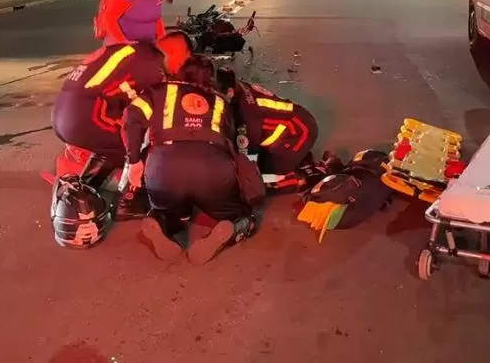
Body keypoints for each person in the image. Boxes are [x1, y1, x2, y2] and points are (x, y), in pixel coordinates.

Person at [124, 55, 260, 265]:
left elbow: (131, 118)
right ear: (210, 80)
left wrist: (134, 161)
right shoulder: (220, 101)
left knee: (169, 211)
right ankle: (233, 225)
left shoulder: (158, 91)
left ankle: (162, 222)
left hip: (165, 168)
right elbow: (232, 142)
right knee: (244, 215)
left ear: (180, 72)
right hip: (212, 169)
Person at [51, 31, 194, 188]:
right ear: (175, 52)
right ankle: (126, 199)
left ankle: (86, 189)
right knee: (141, 145)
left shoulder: (132, 50)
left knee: (116, 142)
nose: (178, 70)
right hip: (84, 117)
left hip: (60, 113)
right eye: (182, 63)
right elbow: (157, 111)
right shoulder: (153, 66)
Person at [216, 68, 319, 186]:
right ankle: (299, 159)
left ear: (230, 92)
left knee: (260, 181)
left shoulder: (247, 116)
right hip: (293, 121)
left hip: (300, 131)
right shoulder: (238, 87)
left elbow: (249, 156)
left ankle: (306, 175)